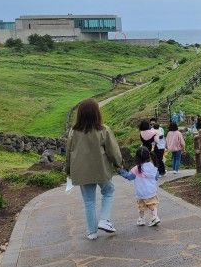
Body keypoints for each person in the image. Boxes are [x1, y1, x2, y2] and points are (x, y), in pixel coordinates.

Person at [64, 98, 123, 240]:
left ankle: (92, 232)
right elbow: (113, 151)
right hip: (101, 169)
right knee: (108, 191)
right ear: (97, 113)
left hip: (82, 171)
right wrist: (118, 163)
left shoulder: (73, 132)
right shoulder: (103, 130)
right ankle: (104, 220)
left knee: (89, 201)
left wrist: (68, 170)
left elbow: (68, 152)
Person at [118, 147, 161, 227]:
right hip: (151, 191)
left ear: (137, 158)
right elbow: (156, 177)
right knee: (152, 205)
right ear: (149, 156)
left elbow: (129, 177)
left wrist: (121, 171)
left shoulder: (136, 169)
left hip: (140, 192)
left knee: (141, 206)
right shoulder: (153, 167)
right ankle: (155, 216)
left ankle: (141, 219)